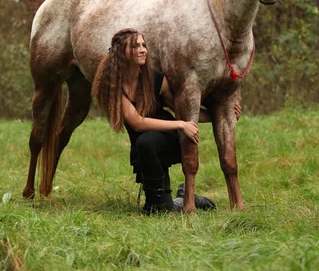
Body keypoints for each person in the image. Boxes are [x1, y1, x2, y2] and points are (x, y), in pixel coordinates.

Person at [92, 28, 241, 214]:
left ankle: (171, 200)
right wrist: (180, 124)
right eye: (135, 46)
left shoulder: (156, 79)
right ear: (121, 53)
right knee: (162, 207)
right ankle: (182, 195)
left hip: (168, 140)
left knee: (146, 144)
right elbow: (137, 123)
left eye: (143, 45)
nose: (142, 49)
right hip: (145, 149)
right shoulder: (113, 87)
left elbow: (183, 111)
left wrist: (222, 114)